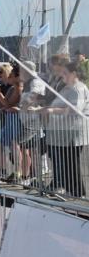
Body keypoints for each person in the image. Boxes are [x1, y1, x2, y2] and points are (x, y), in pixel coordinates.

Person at [42, 61, 89, 198]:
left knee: (71, 163)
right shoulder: (69, 87)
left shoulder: (78, 88)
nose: (62, 76)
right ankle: (73, 191)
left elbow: (75, 109)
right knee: (68, 162)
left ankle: (78, 192)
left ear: (74, 74)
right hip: (66, 131)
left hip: (74, 132)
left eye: (65, 73)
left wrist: (51, 110)